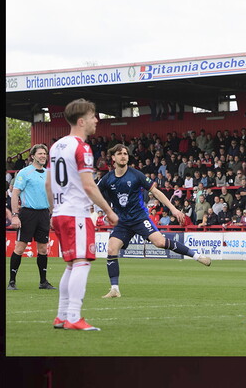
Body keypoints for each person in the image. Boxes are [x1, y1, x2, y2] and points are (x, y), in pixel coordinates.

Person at [98, 144, 210, 298]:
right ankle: (114, 289)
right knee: (111, 249)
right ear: (113, 158)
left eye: (125, 153)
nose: (123, 156)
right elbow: (93, 193)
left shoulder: (136, 175)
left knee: (160, 242)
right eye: (119, 154)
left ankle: (197, 256)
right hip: (122, 221)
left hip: (139, 218)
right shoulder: (107, 179)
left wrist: (174, 209)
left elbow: (156, 192)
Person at [46, 99, 120, 331]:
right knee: (81, 263)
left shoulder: (56, 146)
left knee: (71, 265)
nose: (96, 120)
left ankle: (61, 316)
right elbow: (88, 185)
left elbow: (48, 184)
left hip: (60, 212)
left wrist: (53, 211)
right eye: (93, 116)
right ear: (81, 121)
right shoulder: (81, 147)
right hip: (76, 213)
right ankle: (74, 317)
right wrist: (108, 211)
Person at [8, 144, 57, 290]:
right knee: (20, 247)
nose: (43, 156)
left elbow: (50, 196)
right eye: (40, 153)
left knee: (43, 249)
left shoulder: (49, 173)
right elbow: (15, 194)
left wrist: (52, 214)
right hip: (28, 213)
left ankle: (43, 282)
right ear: (33, 156)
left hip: (43, 214)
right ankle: (11, 282)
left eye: (45, 154)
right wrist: (15, 215)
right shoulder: (24, 173)